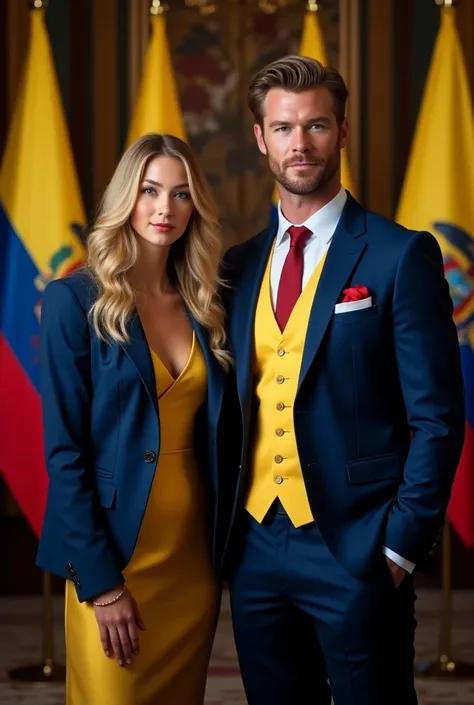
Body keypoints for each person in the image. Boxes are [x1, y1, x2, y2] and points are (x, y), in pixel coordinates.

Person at [221, 56, 465, 705]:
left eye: (316, 125)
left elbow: (438, 415)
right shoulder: (236, 266)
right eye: (283, 127)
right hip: (254, 549)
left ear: (343, 130)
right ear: (259, 138)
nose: (299, 143)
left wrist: (399, 547)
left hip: (359, 549)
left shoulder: (398, 254)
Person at [36, 133, 236, 705]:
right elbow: (65, 454)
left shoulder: (207, 301)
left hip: (192, 561)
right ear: (126, 197)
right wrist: (100, 586)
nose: (164, 209)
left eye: (180, 194)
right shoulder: (75, 302)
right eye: (150, 191)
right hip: (113, 556)